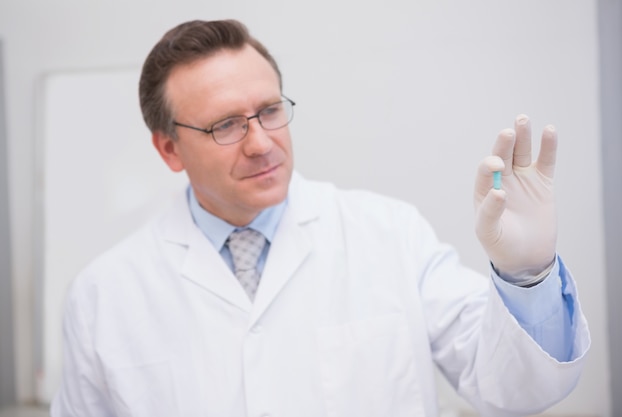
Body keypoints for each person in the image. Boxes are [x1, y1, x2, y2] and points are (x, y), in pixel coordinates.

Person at [51, 19, 590, 417]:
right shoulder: (104, 295)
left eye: (268, 110)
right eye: (225, 126)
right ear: (169, 150)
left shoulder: (389, 235)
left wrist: (528, 276)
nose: (262, 143)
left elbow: (515, 388)